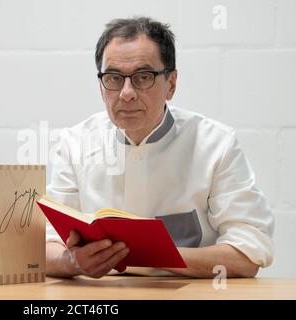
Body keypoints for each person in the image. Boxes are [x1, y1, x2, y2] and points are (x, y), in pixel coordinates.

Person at [45, 16, 274, 279]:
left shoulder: (216, 145)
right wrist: (73, 262)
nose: (126, 93)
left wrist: (146, 257)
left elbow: (247, 256)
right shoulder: (76, 143)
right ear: (101, 86)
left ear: (171, 84)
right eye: (114, 78)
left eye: (143, 77)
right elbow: (46, 246)